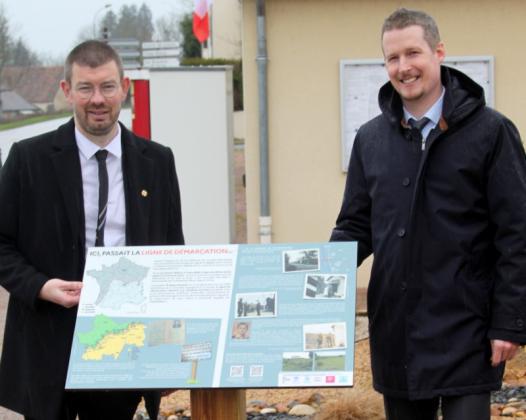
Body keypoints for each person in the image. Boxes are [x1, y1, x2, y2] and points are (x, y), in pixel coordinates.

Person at [331, 8, 526, 420]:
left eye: (412, 53)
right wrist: (315, 278)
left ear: (439, 52)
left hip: (467, 330)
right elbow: (355, 226)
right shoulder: (370, 140)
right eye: (392, 58)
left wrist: (510, 323)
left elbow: (517, 233)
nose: (403, 68)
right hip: (397, 333)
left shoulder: (491, 133)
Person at [0, 40, 184, 420]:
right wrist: (39, 286)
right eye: (86, 87)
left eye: (107, 86)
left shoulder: (158, 162)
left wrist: (170, 353)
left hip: (126, 345)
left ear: (125, 87)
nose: (97, 99)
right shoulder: (27, 159)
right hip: (49, 343)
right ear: (67, 91)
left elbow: (171, 255)